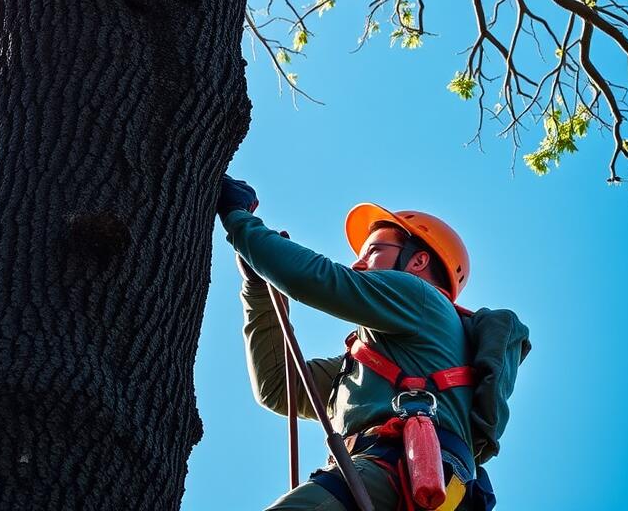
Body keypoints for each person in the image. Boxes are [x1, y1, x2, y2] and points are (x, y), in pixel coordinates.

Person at [218, 175, 525, 511]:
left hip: (395, 472)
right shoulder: (369, 362)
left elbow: (318, 279)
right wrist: (259, 292)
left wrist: (240, 219)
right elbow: (279, 387)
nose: (358, 263)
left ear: (418, 261)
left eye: (374, 251)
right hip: (410, 483)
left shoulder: (421, 297)